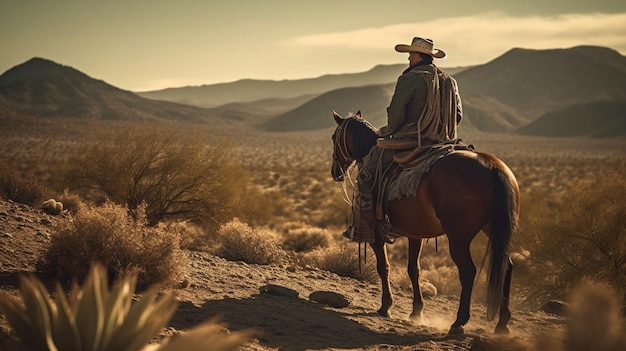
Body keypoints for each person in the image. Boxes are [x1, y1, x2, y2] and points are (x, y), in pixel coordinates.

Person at [343, 37, 463, 243]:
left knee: (367, 175)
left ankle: (367, 230)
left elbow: (396, 114)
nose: (408, 58)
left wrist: (387, 131)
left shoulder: (409, 79)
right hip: (443, 143)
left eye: (410, 54)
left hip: (410, 141)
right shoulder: (449, 81)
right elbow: (458, 115)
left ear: (417, 55)